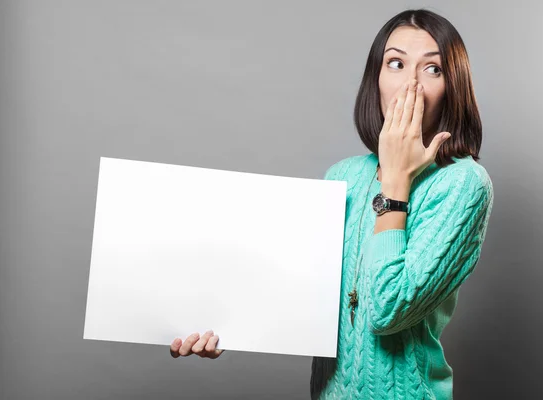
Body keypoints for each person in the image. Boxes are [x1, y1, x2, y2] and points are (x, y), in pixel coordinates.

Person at [170, 8, 494, 400]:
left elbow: (387, 309)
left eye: (433, 69)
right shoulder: (344, 176)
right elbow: (301, 297)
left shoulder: (463, 184)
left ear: (453, 86)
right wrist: (222, 325)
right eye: (395, 63)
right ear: (375, 79)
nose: (411, 85)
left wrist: (396, 179)